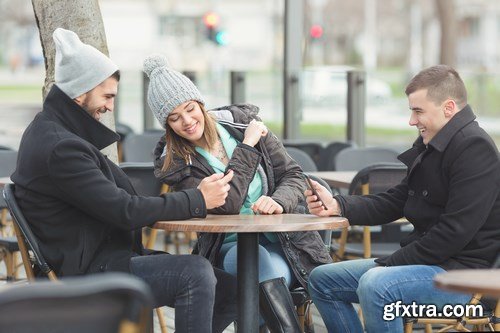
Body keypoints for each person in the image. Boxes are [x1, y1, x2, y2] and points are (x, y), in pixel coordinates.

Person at [11, 28, 237, 333]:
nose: (110, 106)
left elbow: (116, 201)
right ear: (81, 91)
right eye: (107, 96)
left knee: (231, 288)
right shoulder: (60, 146)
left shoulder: (58, 133)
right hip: (89, 271)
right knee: (194, 273)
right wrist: (197, 199)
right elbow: (124, 210)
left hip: (102, 257)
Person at [143, 54, 333, 333]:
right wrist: (247, 147)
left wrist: (278, 201)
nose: (187, 121)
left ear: (200, 103)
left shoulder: (244, 123)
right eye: (174, 118)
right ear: (167, 125)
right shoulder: (176, 163)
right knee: (252, 265)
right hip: (229, 248)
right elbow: (227, 204)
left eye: (190, 108)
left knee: (260, 277)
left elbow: (293, 174)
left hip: (288, 243)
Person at [304, 65, 500, 333]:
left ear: (448, 108)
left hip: (466, 280)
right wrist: (339, 205)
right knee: (322, 280)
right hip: (429, 264)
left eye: (418, 111)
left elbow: (453, 233)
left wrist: (391, 263)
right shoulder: (436, 143)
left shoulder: (475, 149)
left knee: (377, 285)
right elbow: (397, 200)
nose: (411, 120)